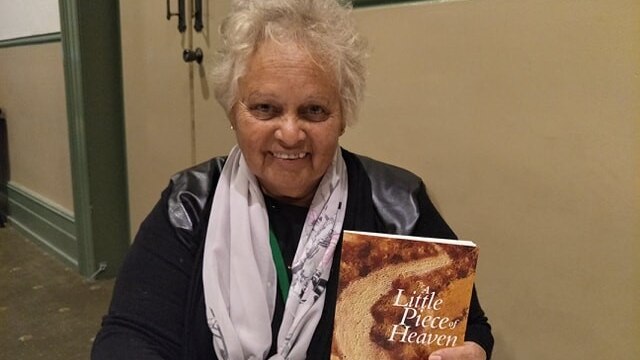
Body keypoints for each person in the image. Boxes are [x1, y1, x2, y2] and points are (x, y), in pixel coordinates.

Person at [92, 0, 494, 359]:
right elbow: (129, 335)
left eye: (314, 110)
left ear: (344, 115)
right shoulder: (188, 207)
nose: (289, 133)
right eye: (265, 108)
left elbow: (469, 326)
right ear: (233, 111)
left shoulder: (398, 207)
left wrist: (471, 351)